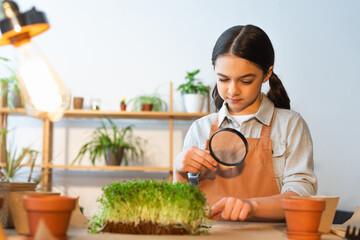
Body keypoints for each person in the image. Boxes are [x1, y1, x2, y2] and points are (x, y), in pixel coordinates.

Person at [173, 24, 317, 222]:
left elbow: (302, 194)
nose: (233, 90)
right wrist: (179, 171)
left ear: (267, 74)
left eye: (246, 81)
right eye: (223, 79)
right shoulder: (200, 129)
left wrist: (252, 206)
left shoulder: (291, 126)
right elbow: (182, 210)